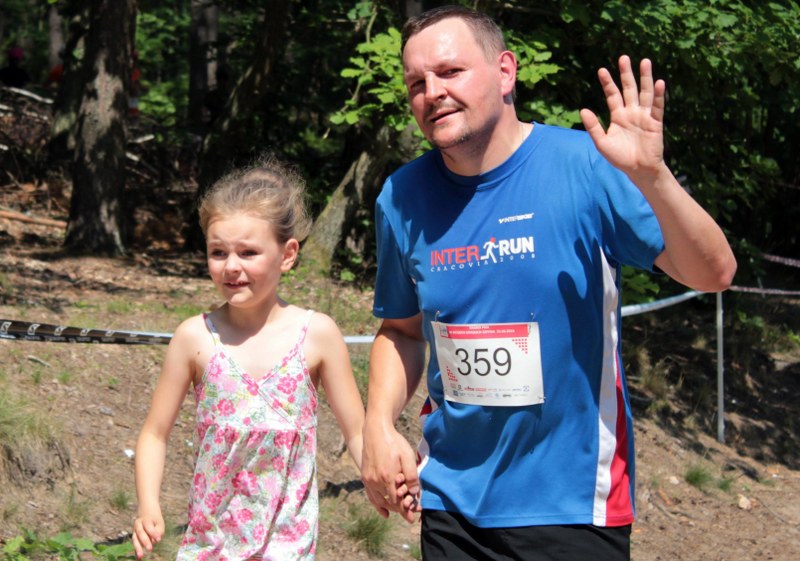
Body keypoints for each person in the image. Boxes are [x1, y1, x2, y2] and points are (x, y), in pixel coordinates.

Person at [361, 5, 736, 561]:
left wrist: (653, 177)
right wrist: (377, 424)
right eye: (417, 83)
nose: (432, 92)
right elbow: (401, 330)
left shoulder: (587, 166)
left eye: (450, 72)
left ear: (505, 72)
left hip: (571, 507)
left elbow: (713, 273)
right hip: (451, 502)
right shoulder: (401, 197)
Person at [132, 157, 365, 560]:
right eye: (218, 252)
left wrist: (384, 482)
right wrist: (148, 504)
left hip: (289, 548)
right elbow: (154, 433)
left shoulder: (317, 335)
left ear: (287, 254)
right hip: (209, 547)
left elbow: (359, 433)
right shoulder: (194, 338)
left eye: (248, 252)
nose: (231, 267)